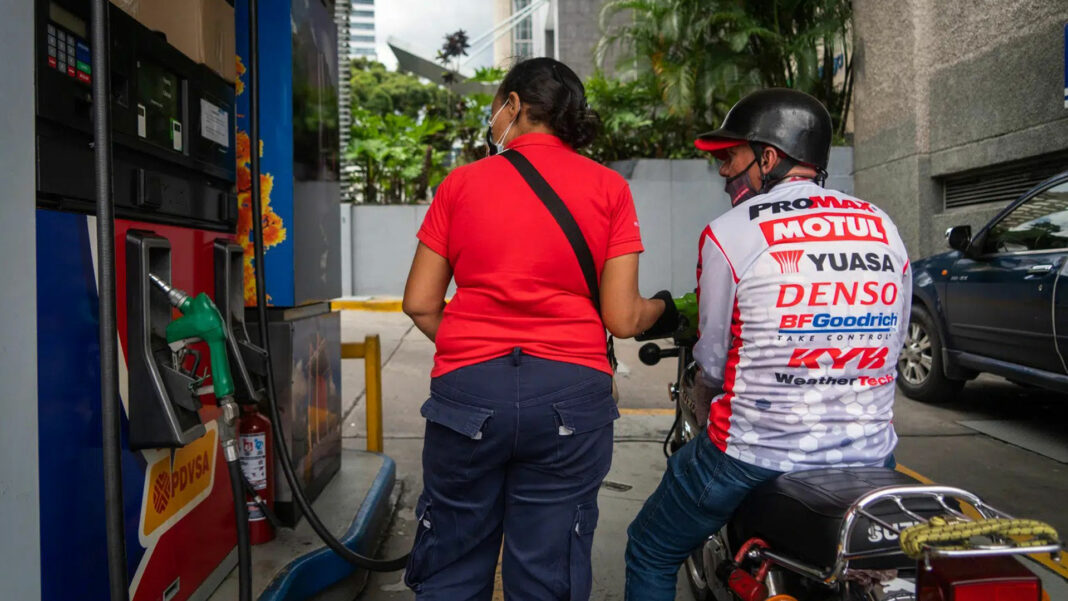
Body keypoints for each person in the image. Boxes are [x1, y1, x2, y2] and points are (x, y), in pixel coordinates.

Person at [401, 57, 677, 601]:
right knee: (548, 569)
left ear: (514, 106)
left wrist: (473, 344)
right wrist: (662, 310)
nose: (492, 118)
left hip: (468, 392)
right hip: (571, 397)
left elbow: (419, 302)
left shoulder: (460, 185)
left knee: (451, 568)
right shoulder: (608, 188)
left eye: (495, 106)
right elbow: (622, 317)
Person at [623, 88, 912, 600]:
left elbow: (712, 359)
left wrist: (706, 396)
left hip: (755, 453)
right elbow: (893, 341)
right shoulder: (882, 225)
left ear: (769, 157)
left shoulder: (730, 232)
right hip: (870, 455)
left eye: (730, 157)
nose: (723, 171)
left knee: (649, 546)